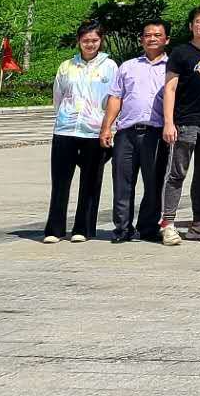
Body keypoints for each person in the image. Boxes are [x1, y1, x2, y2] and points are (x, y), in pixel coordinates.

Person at [45, 22, 116, 244]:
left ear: (100, 41)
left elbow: (115, 98)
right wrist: (64, 117)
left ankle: (82, 228)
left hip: (94, 131)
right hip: (66, 130)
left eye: (94, 40)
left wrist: (109, 126)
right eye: (86, 40)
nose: (90, 44)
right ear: (79, 41)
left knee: (90, 182)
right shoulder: (66, 66)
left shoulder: (110, 66)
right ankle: (54, 229)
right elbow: (58, 96)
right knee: (60, 182)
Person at [157, 6, 200, 245]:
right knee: (176, 174)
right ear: (191, 26)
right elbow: (170, 89)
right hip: (184, 123)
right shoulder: (181, 53)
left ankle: (198, 221)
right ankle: (168, 222)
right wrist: (168, 122)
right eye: (199, 22)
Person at [102, 22, 171, 243]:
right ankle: (122, 228)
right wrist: (107, 127)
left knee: (153, 183)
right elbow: (116, 97)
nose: (152, 38)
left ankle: (148, 227)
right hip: (126, 132)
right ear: (141, 39)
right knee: (122, 182)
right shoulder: (128, 66)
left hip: (156, 133)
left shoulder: (172, 68)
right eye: (147, 35)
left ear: (166, 39)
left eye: (157, 35)